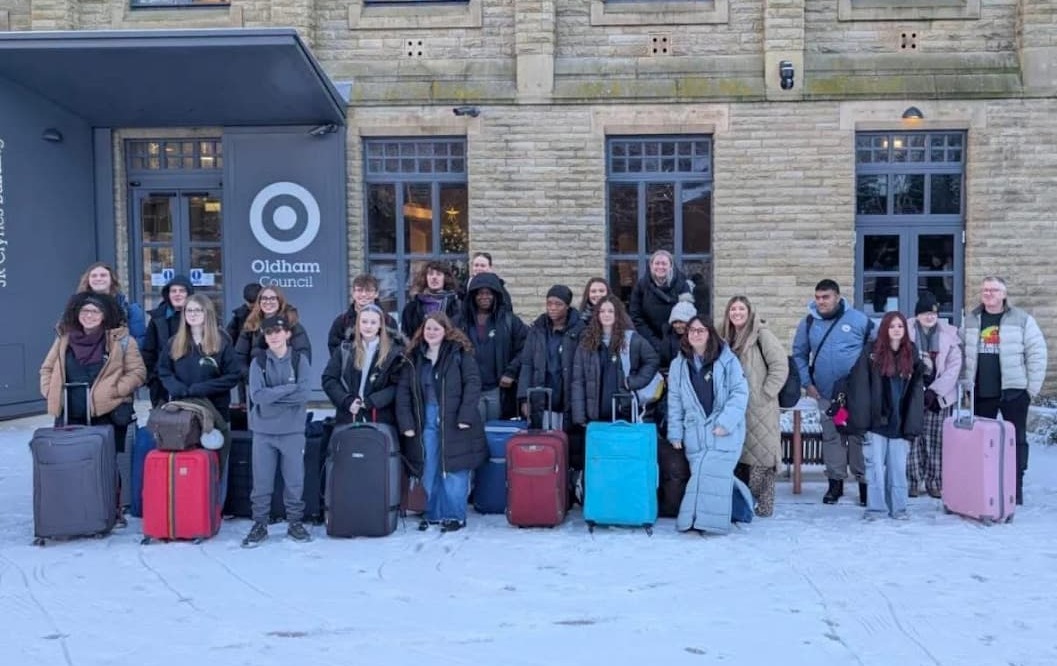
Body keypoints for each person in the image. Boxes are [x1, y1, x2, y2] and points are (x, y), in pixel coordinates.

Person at [40, 292, 147, 526]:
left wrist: (116, 390)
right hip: (70, 412)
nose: (89, 316)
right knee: (71, 464)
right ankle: (77, 510)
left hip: (107, 413)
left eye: (95, 312)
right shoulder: (64, 339)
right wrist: (51, 391)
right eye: (85, 311)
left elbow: (138, 373)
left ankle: (111, 511)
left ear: (104, 315)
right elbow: (47, 369)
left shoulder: (121, 340)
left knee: (107, 466)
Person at [396, 313, 487, 532]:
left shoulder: (459, 353)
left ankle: (454, 515)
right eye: (428, 328)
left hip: (454, 418)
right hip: (425, 417)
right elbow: (404, 392)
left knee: (453, 468)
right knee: (429, 466)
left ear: (446, 330)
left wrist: (466, 416)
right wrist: (406, 423)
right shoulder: (414, 357)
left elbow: (473, 384)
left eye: (436, 328)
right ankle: (434, 512)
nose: (432, 332)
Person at [961, 276, 1048, 505]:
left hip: (1014, 392)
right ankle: (985, 486)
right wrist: (966, 386)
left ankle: (1015, 487)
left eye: (994, 290)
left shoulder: (1021, 319)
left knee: (1016, 441)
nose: (988, 294)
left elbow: (1037, 353)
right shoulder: (971, 319)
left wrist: (1030, 390)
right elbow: (962, 354)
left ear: (1004, 294)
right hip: (982, 394)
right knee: (982, 443)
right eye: (985, 290)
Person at [791, 279, 873, 506]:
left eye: (825, 297)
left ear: (837, 297)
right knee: (833, 436)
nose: (821, 302)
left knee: (857, 435)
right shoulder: (809, 322)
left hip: (856, 394)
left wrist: (870, 381)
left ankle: (864, 484)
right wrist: (807, 383)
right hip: (827, 395)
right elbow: (798, 354)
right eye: (817, 298)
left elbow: (876, 348)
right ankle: (835, 484)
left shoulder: (858, 320)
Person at [666, 316, 749, 534]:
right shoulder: (679, 364)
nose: (696, 334)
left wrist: (726, 423)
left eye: (701, 330)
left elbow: (740, 393)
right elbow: (674, 400)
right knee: (706, 477)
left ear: (710, 333)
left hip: (724, 431)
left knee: (710, 474)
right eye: (692, 330)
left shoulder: (727, 360)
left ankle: (700, 522)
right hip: (695, 432)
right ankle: (742, 509)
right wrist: (675, 432)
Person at [156, 294, 241, 499]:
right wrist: (177, 388)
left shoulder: (222, 342)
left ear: (207, 313)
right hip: (182, 416)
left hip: (215, 413)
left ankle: (215, 505)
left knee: (217, 461)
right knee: (187, 462)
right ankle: (190, 504)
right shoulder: (174, 343)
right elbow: (163, 371)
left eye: (198, 310)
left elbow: (233, 376)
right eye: (189, 310)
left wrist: (202, 388)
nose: (193, 315)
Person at [241, 315, 313, 548]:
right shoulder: (258, 362)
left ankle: (295, 522)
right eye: (268, 333)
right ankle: (260, 523)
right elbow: (257, 397)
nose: (273, 336)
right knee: (261, 481)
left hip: (292, 430)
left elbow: (303, 394)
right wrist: (287, 390)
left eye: (278, 331)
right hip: (263, 430)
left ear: (287, 334)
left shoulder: (299, 360)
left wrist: (275, 395)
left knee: (294, 480)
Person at [846, 311, 926, 521]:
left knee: (898, 470)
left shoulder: (912, 353)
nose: (896, 330)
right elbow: (860, 387)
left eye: (900, 326)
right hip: (876, 422)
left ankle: (898, 508)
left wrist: (912, 422)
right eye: (892, 326)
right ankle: (876, 510)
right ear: (884, 329)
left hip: (900, 422)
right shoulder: (871, 353)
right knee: (875, 471)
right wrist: (863, 421)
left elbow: (916, 390)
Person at [719, 295, 789, 517]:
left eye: (741, 309)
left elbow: (780, 365)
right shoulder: (723, 336)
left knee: (762, 457)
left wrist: (765, 393)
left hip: (760, 406)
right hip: (733, 406)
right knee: (740, 455)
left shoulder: (761, 335)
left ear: (749, 312)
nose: (737, 313)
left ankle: (765, 506)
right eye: (733, 309)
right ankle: (744, 505)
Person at [570, 296, 660, 426]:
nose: (606, 315)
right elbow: (578, 381)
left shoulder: (631, 339)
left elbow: (652, 360)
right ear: (597, 315)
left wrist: (635, 382)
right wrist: (579, 416)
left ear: (617, 314)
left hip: (625, 413)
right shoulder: (586, 343)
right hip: (596, 416)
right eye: (602, 311)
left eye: (611, 311)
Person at [906, 292, 962, 498]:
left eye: (933, 313)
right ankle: (912, 480)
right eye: (925, 313)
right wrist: (916, 390)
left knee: (936, 441)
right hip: (912, 393)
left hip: (939, 396)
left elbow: (954, 367)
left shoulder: (949, 334)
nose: (930, 317)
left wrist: (934, 391)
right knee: (913, 439)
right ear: (918, 314)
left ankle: (935, 481)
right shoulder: (906, 331)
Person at [459, 272, 527, 421]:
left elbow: (526, 347)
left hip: (498, 390)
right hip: (470, 390)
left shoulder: (509, 321)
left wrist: (511, 372)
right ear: (472, 296)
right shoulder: (460, 322)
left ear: (496, 295)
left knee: (496, 433)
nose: (484, 297)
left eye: (489, 293)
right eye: (480, 293)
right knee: (475, 435)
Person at [322, 304, 404, 426]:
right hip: (349, 416)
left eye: (373, 322)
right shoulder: (345, 349)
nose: (368, 326)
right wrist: (346, 401)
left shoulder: (394, 353)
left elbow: (398, 385)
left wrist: (374, 401)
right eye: (364, 321)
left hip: (381, 419)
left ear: (380, 325)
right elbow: (329, 379)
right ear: (358, 323)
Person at [518, 285, 585, 431]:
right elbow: (527, 364)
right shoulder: (537, 330)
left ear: (567, 306)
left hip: (568, 398)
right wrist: (524, 398)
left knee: (568, 443)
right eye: (549, 303)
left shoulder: (579, 330)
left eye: (558, 304)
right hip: (541, 397)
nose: (552, 308)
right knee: (545, 444)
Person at [234, 285, 312, 383]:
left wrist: (292, 377)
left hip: (287, 384)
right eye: (264, 298)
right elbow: (239, 357)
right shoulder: (251, 325)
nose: (268, 301)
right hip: (259, 385)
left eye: (272, 298)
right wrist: (252, 377)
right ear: (259, 301)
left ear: (280, 301)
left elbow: (303, 354)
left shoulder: (292, 324)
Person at [142, 274, 194, 407]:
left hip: (191, 382)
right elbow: (148, 351)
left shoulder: (197, 315)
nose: (177, 294)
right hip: (161, 383)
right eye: (173, 291)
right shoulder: (157, 319)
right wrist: (151, 378)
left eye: (182, 291)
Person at [629, 250, 694, 354]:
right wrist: (654, 341)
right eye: (657, 263)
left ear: (671, 266)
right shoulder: (641, 286)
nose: (660, 267)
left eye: (664, 263)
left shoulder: (682, 285)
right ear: (651, 265)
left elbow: (686, 316)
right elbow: (636, 316)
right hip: (648, 341)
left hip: (676, 341)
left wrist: (670, 342)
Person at [327, 273, 402, 357]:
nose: (363, 294)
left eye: (368, 290)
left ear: (376, 294)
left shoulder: (388, 321)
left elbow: (394, 350)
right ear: (353, 293)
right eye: (359, 290)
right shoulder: (342, 321)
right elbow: (334, 350)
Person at [76, 262, 147, 350]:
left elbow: (138, 344)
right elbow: (64, 337)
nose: (98, 278)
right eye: (94, 276)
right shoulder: (75, 308)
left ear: (112, 280)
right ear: (88, 280)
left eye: (103, 275)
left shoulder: (131, 311)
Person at [401, 261, 461, 340]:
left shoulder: (455, 305)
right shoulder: (412, 307)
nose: (434, 277)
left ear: (445, 278)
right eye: (430, 274)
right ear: (425, 278)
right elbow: (406, 336)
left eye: (438, 274)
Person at [660, 299, 697, 371]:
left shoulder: (698, 339)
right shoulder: (668, 337)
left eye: (681, 322)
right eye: (675, 322)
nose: (677, 325)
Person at [226, 283, 261, 348]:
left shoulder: (270, 314)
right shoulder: (239, 317)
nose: (252, 305)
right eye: (250, 302)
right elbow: (229, 339)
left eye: (255, 302)